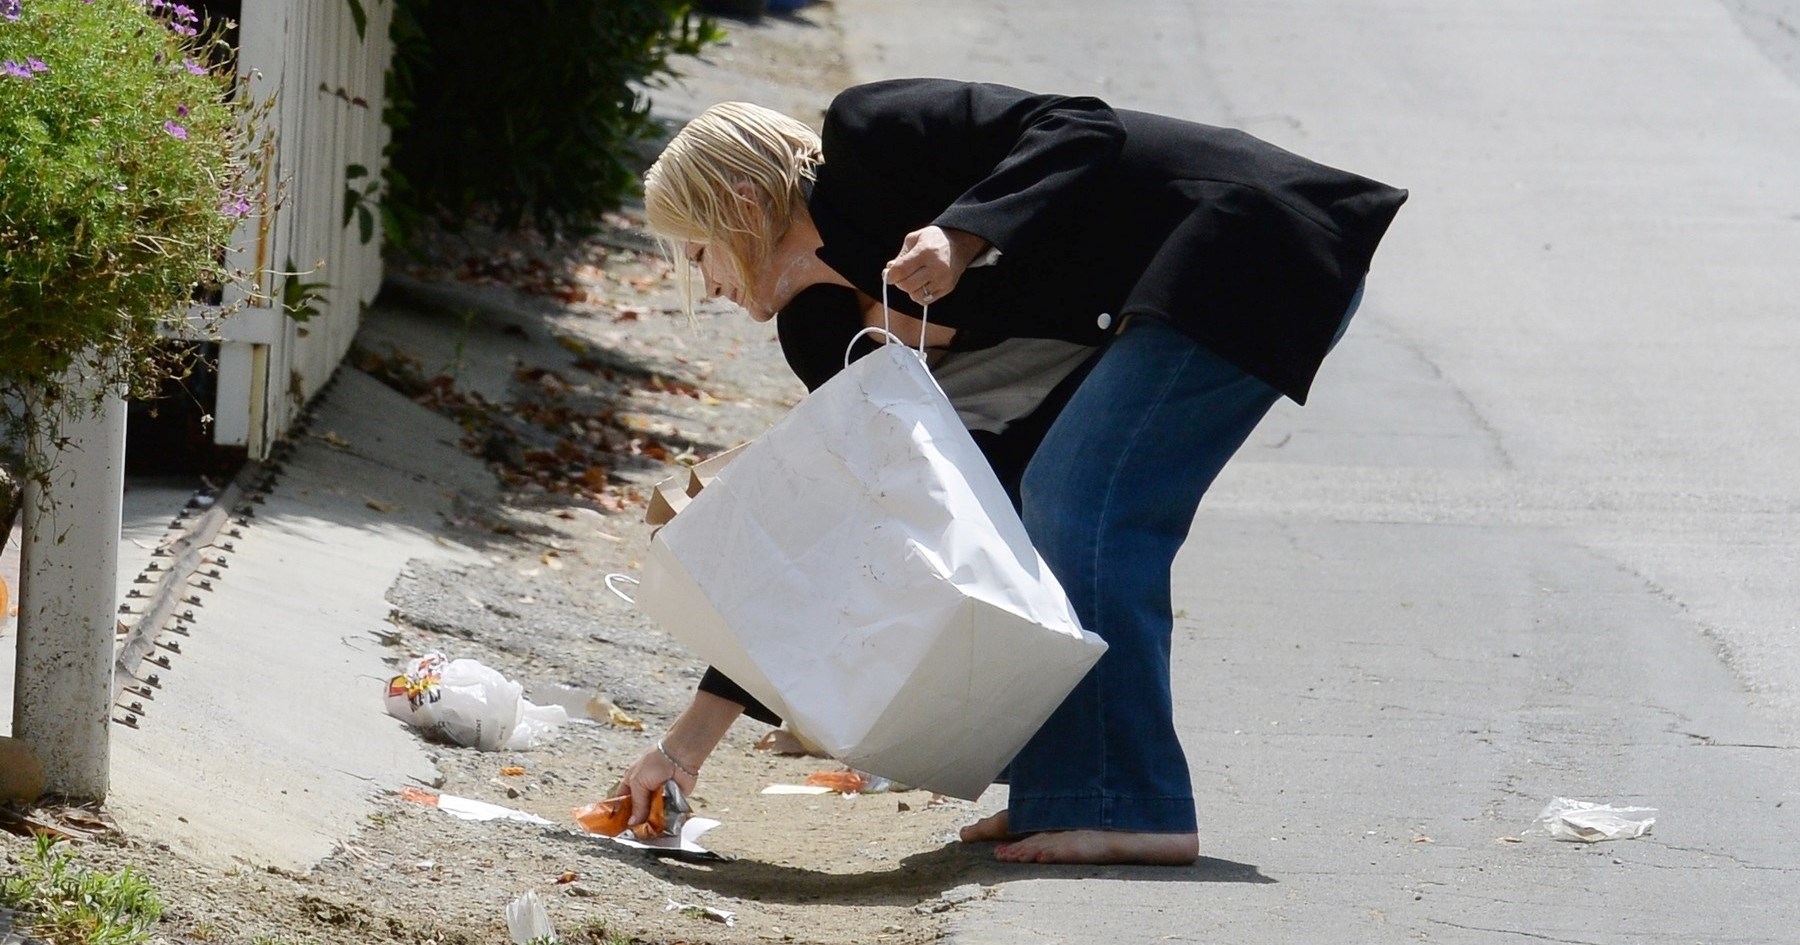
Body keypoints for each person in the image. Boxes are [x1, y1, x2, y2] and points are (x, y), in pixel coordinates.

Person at [615, 78, 1407, 866]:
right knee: (1027, 522)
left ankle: (1131, 806)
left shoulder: (871, 135)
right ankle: (1062, 791)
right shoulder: (819, 330)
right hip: (1154, 307)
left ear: (744, 204)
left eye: (697, 252)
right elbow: (844, 521)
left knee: (1080, 500)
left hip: (1249, 242)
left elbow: (1082, 124)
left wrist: (958, 235)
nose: (705, 283)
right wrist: (684, 749)